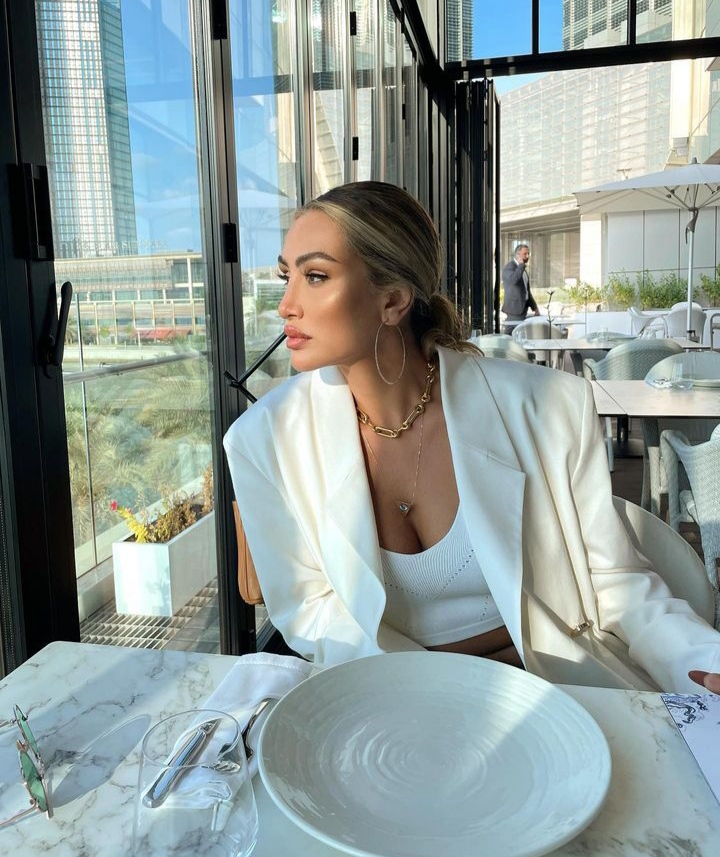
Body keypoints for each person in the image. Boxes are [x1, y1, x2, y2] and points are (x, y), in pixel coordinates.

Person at [224, 180, 720, 694]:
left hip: (555, 688)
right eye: (286, 276)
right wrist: (436, 699)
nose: (286, 305)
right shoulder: (264, 443)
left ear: (393, 300)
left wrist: (702, 659)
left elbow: (616, 581)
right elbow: (310, 611)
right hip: (391, 697)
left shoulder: (547, 407)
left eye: (315, 276)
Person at [501, 243, 540, 334]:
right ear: (517, 255)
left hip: (523, 310)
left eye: (528, 253)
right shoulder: (509, 267)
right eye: (525, 254)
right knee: (509, 335)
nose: (527, 256)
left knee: (519, 335)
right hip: (514, 310)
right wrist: (521, 265)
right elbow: (513, 281)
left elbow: (527, 292)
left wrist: (535, 308)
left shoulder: (522, 269)